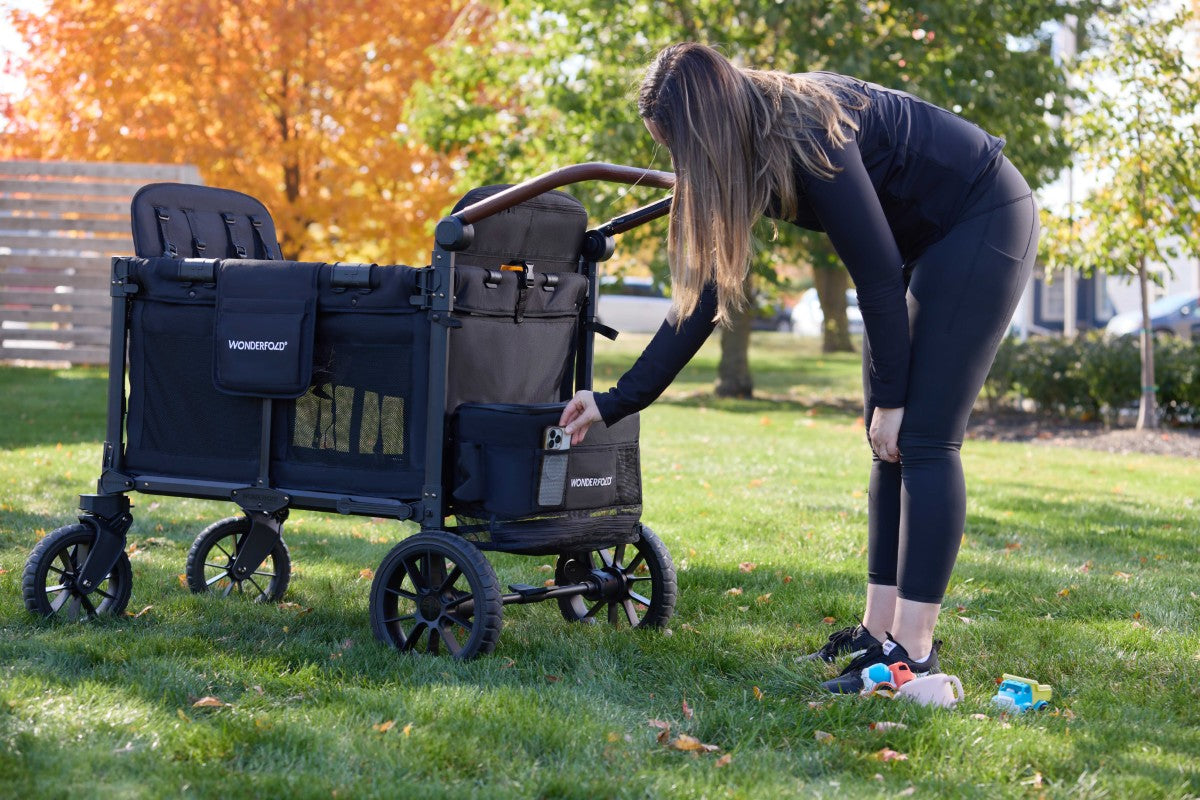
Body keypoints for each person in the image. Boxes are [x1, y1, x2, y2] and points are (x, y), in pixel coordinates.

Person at [558, 43, 1039, 693]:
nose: (680, 167)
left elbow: (871, 275)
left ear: (708, 129)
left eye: (678, 150)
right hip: (919, 242)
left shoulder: (809, 131)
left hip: (982, 214)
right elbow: (706, 296)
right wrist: (616, 399)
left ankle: (913, 658)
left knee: (921, 438)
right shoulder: (747, 149)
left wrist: (893, 398)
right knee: (887, 446)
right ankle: (879, 633)